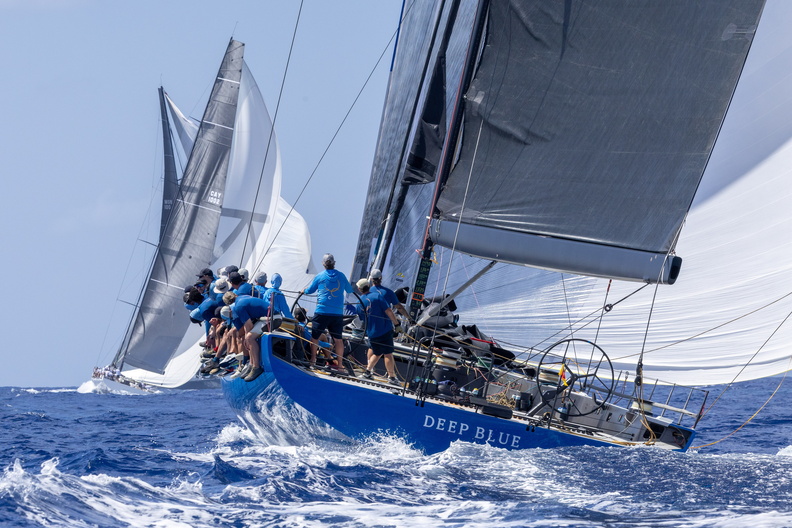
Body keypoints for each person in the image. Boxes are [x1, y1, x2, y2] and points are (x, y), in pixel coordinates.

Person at [300, 253, 353, 371]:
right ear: (334, 263)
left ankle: (312, 361)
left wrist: (304, 291)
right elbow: (350, 290)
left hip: (322, 312)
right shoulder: (341, 276)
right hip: (337, 313)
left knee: (315, 337)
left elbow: (310, 290)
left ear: (323, 264)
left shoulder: (320, 276)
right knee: (338, 339)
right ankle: (339, 365)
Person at [349, 278, 400, 384]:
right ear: (369, 285)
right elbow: (389, 311)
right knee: (388, 354)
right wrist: (397, 324)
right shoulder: (377, 296)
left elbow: (363, 319)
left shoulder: (359, 303)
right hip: (385, 330)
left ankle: (367, 372)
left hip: (372, 333)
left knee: (377, 353)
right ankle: (391, 377)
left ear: (359, 289)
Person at [223, 291, 271, 382]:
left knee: (250, 338)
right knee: (248, 337)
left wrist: (247, 339)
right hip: (265, 318)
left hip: (271, 319)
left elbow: (248, 325)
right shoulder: (242, 297)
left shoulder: (238, 307)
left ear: (229, 304)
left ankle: (256, 367)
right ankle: (252, 365)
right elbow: (246, 325)